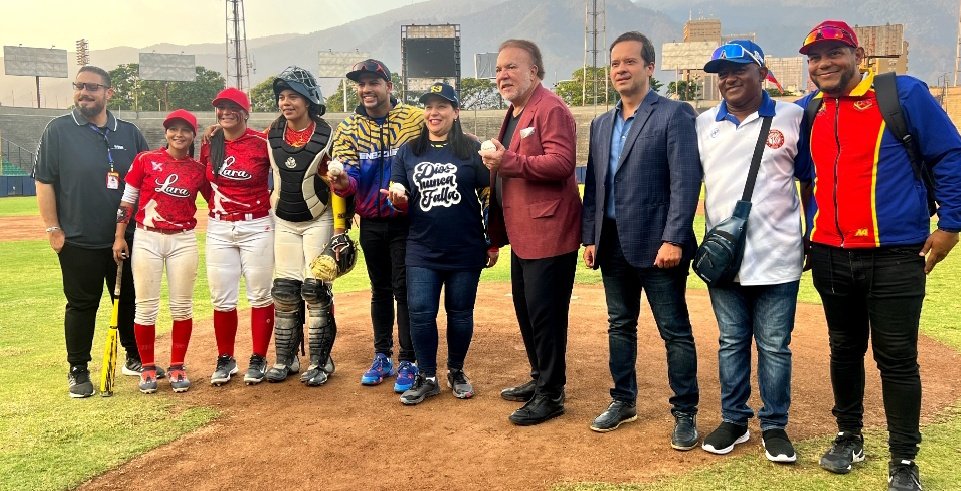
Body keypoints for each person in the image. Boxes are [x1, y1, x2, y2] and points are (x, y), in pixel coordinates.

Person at [796, 20, 961, 490]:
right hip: (829, 251)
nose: (823, 63)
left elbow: (950, 156)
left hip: (894, 253)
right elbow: (802, 174)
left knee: (897, 358)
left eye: (834, 53)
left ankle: (904, 459)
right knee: (844, 350)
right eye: (814, 57)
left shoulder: (901, 94)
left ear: (858, 54)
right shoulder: (811, 109)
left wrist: (950, 225)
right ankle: (849, 436)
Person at [580, 31, 701, 448]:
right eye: (615, 63)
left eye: (630, 62)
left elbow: (686, 182)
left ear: (650, 68)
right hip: (610, 243)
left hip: (658, 245)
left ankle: (685, 411)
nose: (620, 69)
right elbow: (595, 185)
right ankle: (623, 400)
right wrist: (589, 238)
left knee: (675, 331)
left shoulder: (673, 114)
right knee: (620, 325)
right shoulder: (600, 124)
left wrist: (675, 238)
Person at [696, 40, 812, 463]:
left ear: (762, 73)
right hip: (725, 258)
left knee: (776, 345)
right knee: (730, 342)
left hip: (779, 256)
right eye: (722, 72)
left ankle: (776, 425)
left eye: (737, 70)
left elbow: (809, 181)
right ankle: (734, 419)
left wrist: (811, 231)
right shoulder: (704, 123)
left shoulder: (793, 116)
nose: (728, 78)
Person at [34, 65, 156, 398]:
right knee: (81, 304)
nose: (84, 92)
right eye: (79, 86)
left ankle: (134, 357)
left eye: (92, 87)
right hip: (78, 238)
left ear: (108, 93)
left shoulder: (129, 132)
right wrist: (53, 229)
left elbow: (148, 178)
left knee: (131, 299)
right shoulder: (57, 130)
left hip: (127, 237)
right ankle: (78, 369)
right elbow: (44, 181)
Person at [479, 40, 581, 426]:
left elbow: (561, 163)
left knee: (546, 315)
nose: (502, 75)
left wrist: (509, 161)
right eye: (499, 69)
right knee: (528, 310)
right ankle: (540, 378)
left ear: (534, 72)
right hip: (525, 232)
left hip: (549, 232)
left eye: (511, 67)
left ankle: (551, 394)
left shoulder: (550, 107)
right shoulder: (517, 110)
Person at [385, 82, 497, 405]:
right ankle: (428, 376)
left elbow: (488, 195)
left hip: (465, 248)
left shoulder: (471, 149)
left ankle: (457, 371)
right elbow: (399, 197)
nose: (434, 112)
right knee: (420, 313)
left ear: (455, 111)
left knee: (460, 313)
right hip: (421, 248)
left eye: (442, 106)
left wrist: (491, 241)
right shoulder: (409, 151)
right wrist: (398, 199)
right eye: (429, 106)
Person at [329, 59, 424, 393]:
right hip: (370, 220)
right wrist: (341, 182)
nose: (366, 89)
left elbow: (441, 138)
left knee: (403, 288)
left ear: (389, 86)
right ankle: (382, 355)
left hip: (406, 221)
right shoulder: (349, 129)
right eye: (361, 84)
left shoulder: (414, 119)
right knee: (380, 289)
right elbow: (349, 181)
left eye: (373, 83)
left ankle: (409, 358)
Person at [112, 109, 207, 394]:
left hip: (183, 239)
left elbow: (215, 199)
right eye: (173, 129)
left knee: (181, 306)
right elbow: (128, 199)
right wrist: (119, 236)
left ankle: (177, 365)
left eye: (185, 130)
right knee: (146, 307)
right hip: (147, 238)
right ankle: (148, 367)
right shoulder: (146, 160)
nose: (178, 135)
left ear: (193, 135)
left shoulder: (197, 170)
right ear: (166, 133)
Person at [265, 66, 347, 387]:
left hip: (319, 218)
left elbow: (338, 184)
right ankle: (285, 358)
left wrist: (340, 231)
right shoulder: (272, 134)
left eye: (293, 96)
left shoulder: (328, 136)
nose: (286, 102)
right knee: (284, 291)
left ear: (309, 100)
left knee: (315, 289)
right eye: (282, 97)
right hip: (284, 219)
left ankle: (320, 360)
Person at [200, 87, 275, 386]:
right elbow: (206, 185)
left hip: (257, 225)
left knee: (260, 294)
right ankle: (225, 358)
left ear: (245, 112)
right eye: (221, 107)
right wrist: (219, 207)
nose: (226, 112)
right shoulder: (210, 140)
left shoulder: (261, 142)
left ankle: (258, 357)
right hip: (219, 227)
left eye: (233, 107)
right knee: (222, 297)